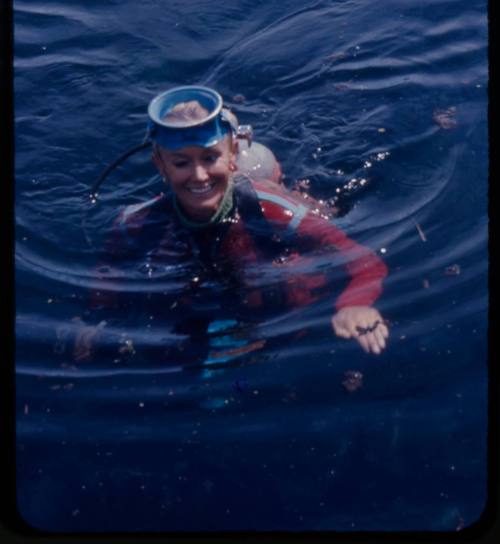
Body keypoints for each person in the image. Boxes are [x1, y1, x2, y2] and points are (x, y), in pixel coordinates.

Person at [74, 86, 389, 362]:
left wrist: (355, 304)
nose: (198, 175)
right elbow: (109, 279)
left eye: (210, 158)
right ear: (161, 165)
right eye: (181, 163)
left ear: (232, 156)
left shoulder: (277, 212)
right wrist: (92, 323)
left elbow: (364, 261)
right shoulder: (134, 225)